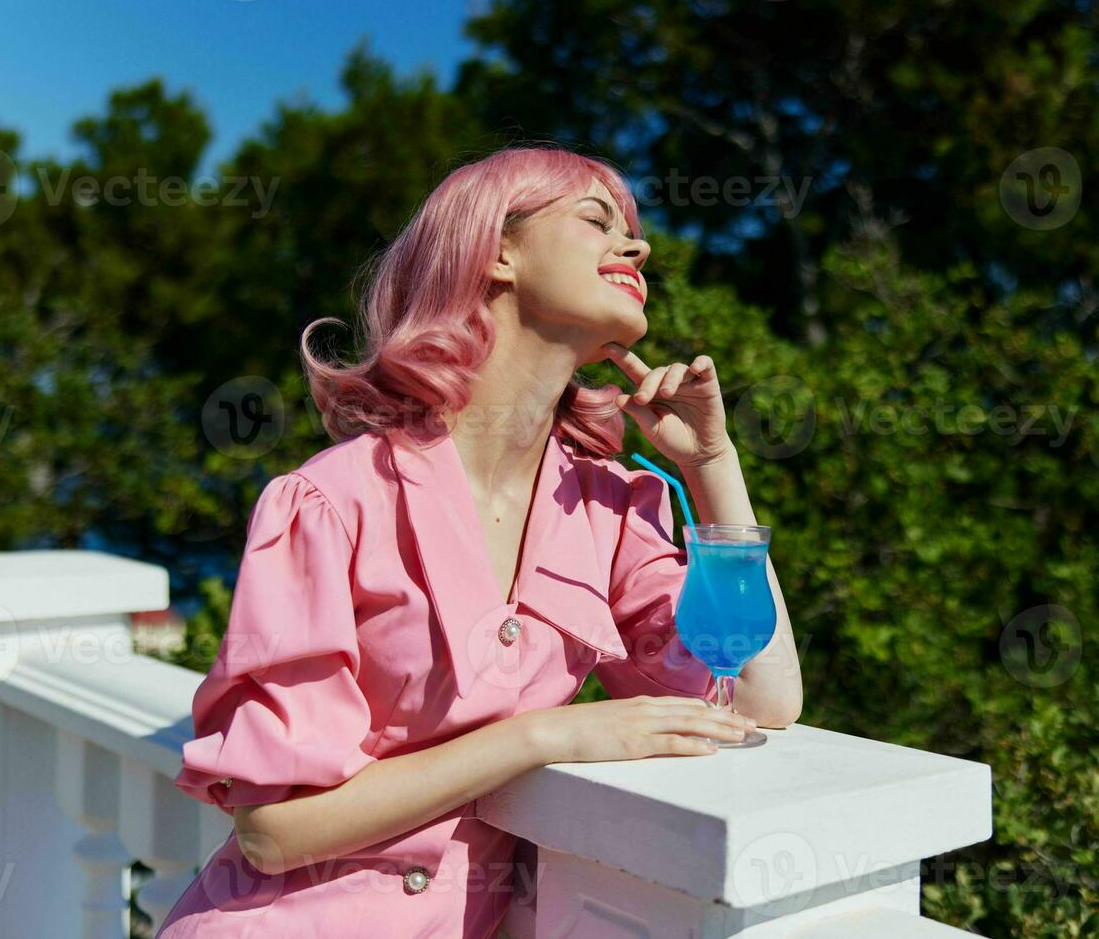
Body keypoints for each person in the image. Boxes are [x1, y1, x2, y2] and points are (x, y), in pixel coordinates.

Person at [156, 144, 802, 938]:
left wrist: (711, 464)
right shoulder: (331, 502)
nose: (638, 247)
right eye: (597, 221)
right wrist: (545, 734)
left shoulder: (607, 506)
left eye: (632, 231)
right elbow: (276, 830)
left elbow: (761, 700)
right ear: (495, 251)